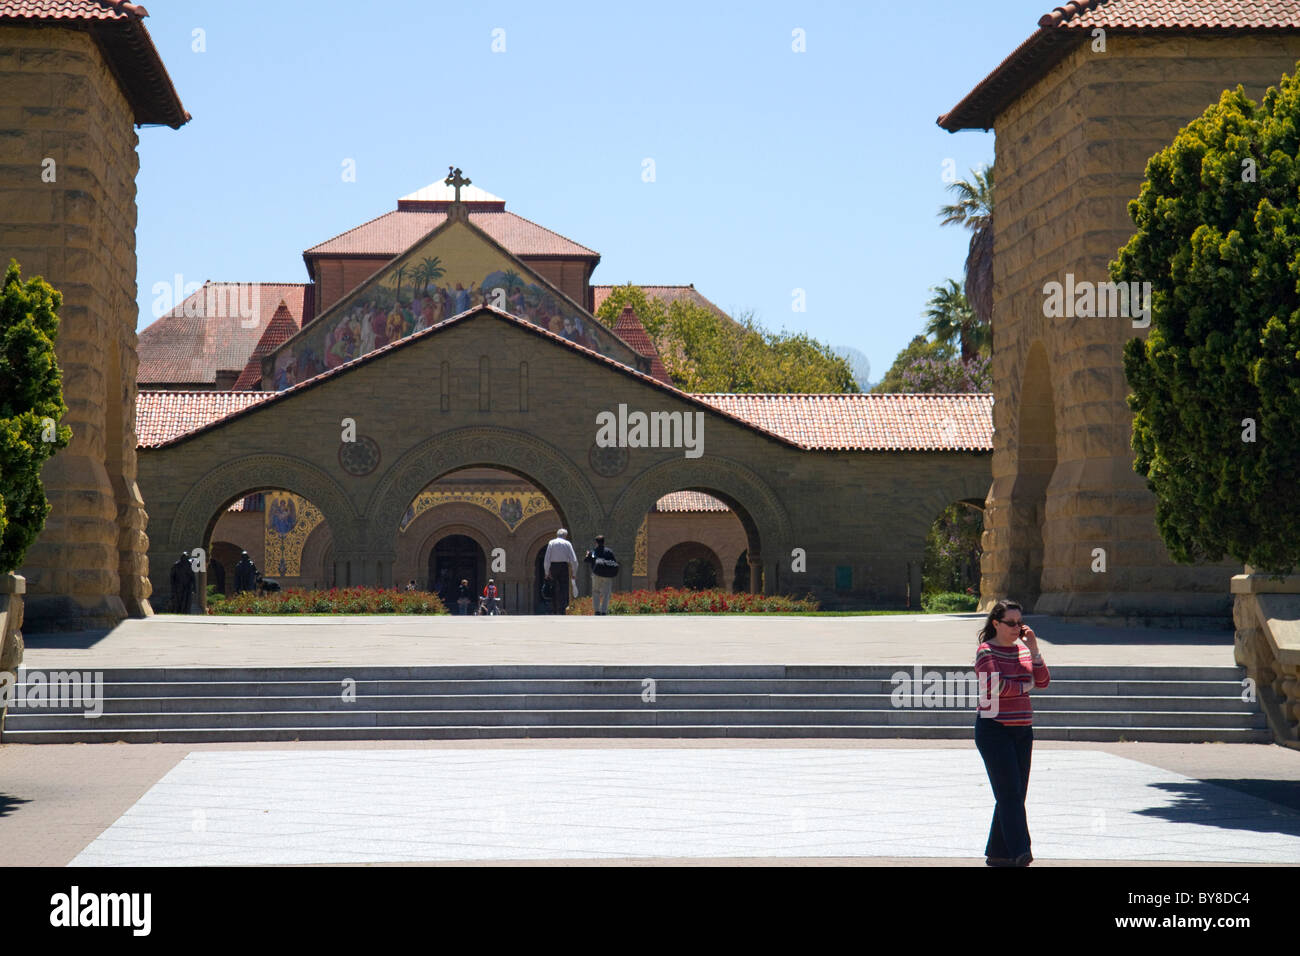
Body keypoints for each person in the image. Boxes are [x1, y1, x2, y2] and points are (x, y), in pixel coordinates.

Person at [973, 600, 1050, 867]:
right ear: (996, 623)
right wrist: (1023, 685)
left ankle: (997, 852)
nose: (1017, 628)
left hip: (1022, 730)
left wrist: (1035, 649)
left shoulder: (1024, 651)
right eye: (1011, 623)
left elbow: (1042, 681)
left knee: (1015, 793)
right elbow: (995, 687)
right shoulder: (986, 652)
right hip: (994, 730)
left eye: (1020, 623)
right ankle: (1021, 851)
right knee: (1008, 793)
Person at [543, 528, 579, 614]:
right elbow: (574, 560)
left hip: (553, 567)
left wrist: (547, 572)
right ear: (565, 536)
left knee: (553, 588)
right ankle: (562, 609)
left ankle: (554, 610)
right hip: (563, 566)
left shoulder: (551, 543)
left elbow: (547, 558)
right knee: (564, 588)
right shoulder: (567, 543)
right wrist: (574, 573)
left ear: (557, 535)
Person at [583, 534, 619, 615]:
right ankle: (604, 611)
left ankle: (597, 611)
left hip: (596, 574)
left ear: (596, 542)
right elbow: (614, 562)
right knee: (606, 593)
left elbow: (586, 560)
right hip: (607, 575)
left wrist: (587, 554)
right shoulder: (609, 551)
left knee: (596, 591)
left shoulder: (593, 551)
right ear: (604, 542)